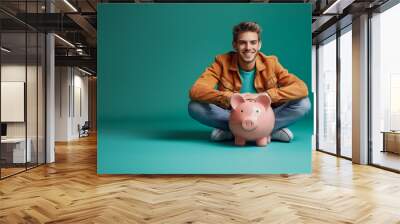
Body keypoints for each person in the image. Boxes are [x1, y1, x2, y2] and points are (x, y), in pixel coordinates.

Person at [188, 22, 311, 142]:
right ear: (235, 45)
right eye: (242, 43)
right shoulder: (221, 62)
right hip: (234, 116)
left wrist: (266, 96)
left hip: (264, 116)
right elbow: (196, 91)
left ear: (259, 45)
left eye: (253, 42)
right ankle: (265, 132)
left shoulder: (271, 63)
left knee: (303, 104)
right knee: (195, 107)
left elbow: (301, 88)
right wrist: (230, 97)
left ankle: (239, 131)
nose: (248, 48)